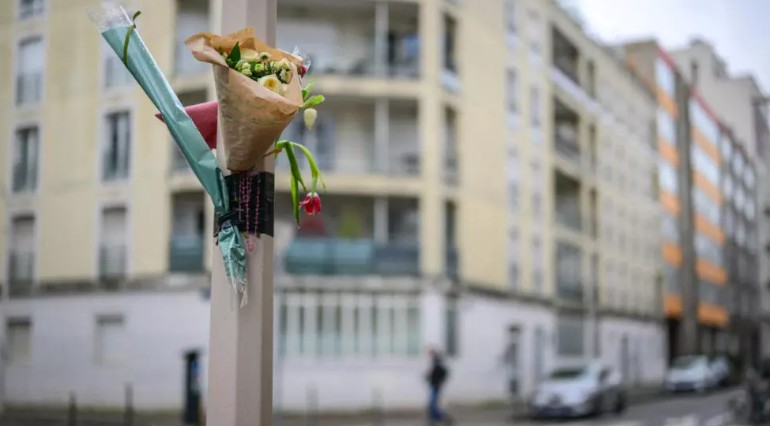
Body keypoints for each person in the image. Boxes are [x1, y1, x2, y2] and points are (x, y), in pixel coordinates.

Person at [426, 349, 453, 425]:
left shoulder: (437, 362)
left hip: (436, 386)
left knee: (432, 404)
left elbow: (444, 372)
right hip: (434, 385)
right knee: (432, 404)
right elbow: (432, 374)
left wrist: (441, 381)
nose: (429, 355)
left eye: (431, 353)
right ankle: (435, 419)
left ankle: (442, 418)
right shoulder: (435, 362)